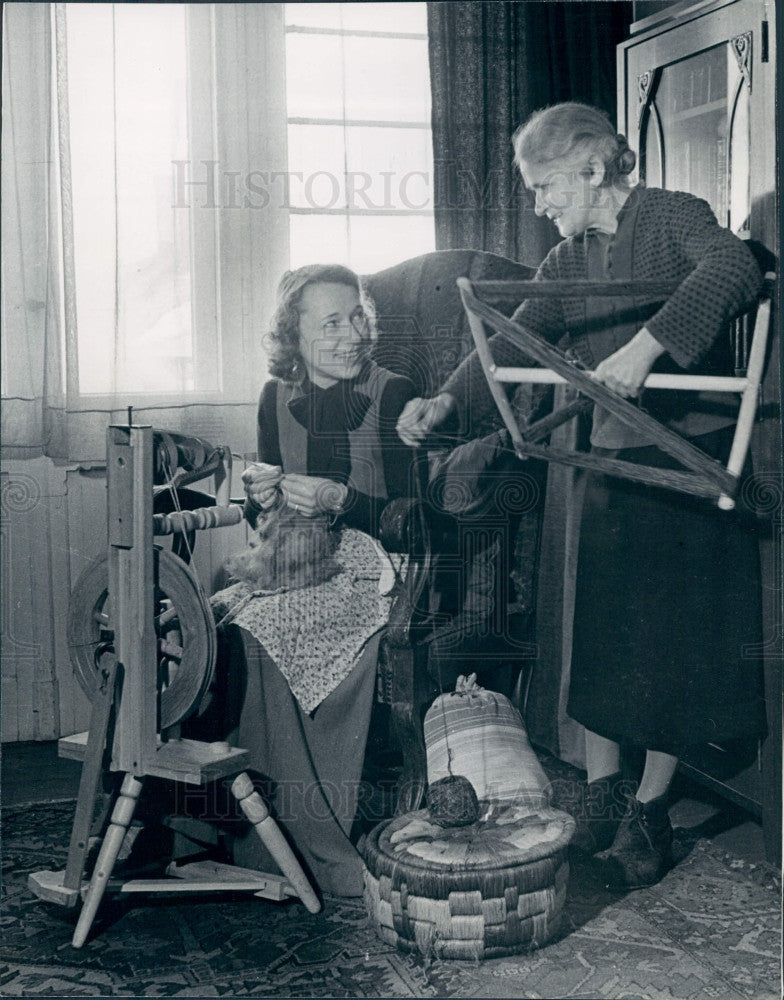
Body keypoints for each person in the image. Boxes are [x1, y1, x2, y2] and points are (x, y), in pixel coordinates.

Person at [397, 102, 765, 889]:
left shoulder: (673, 216)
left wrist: (647, 345)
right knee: (604, 639)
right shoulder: (569, 260)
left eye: (545, 185)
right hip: (609, 465)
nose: (539, 204)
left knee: (667, 648)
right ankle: (603, 793)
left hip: (684, 466)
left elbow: (734, 268)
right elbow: (513, 335)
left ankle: (651, 809)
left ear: (595, 168)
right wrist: (446, 405)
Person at [216, 264, 417, 897]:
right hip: (295, 558)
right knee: (218, 619)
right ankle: (238, 825)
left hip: (375, 564)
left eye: (357, 316)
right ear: (293, 335)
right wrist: (260, 495)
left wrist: (341, 499)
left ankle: (312, 839)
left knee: (266, 625)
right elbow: (264, 516)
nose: (351, 333)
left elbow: (416, 520)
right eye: (331, 321)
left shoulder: (393, 394)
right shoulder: (275, 398)